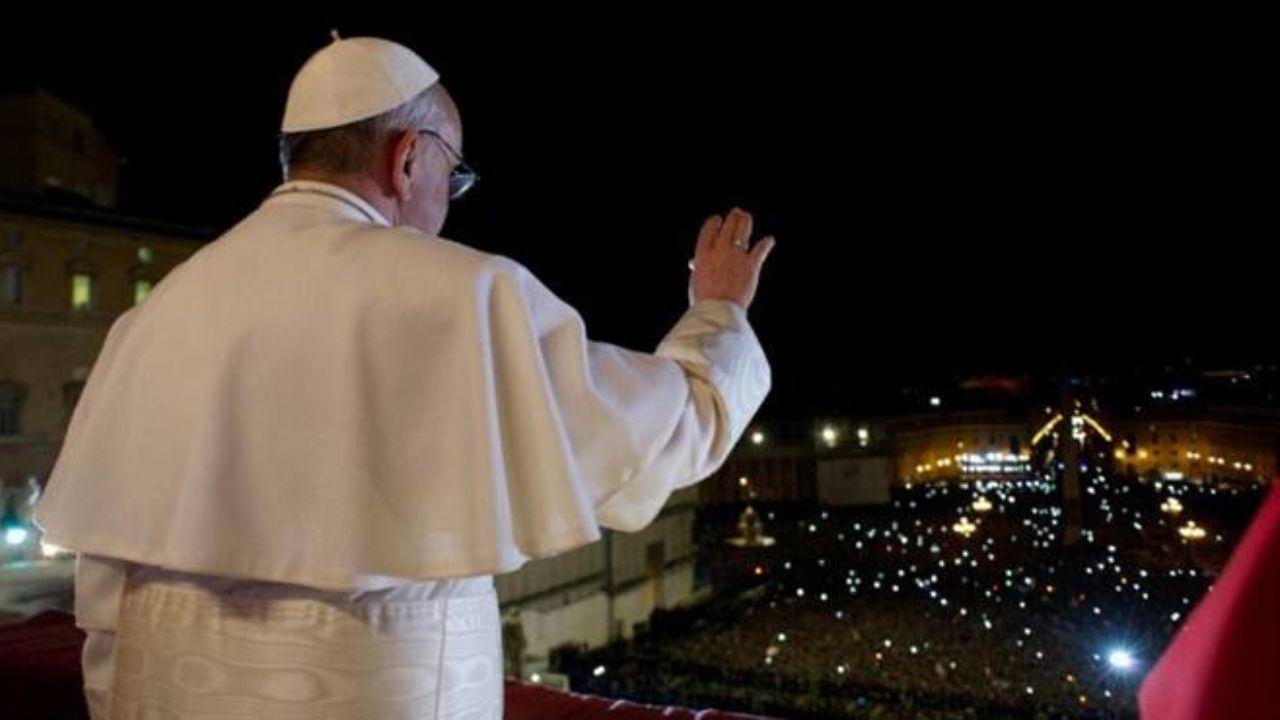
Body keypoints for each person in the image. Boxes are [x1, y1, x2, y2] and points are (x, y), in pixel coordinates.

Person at [33, 33, 775, 719]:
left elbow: (106, 597)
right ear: (409, 157)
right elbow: (665, 429)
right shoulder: (467, 294)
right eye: (452, 175)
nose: (445, 204)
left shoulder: (161, 308)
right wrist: (718, 312)